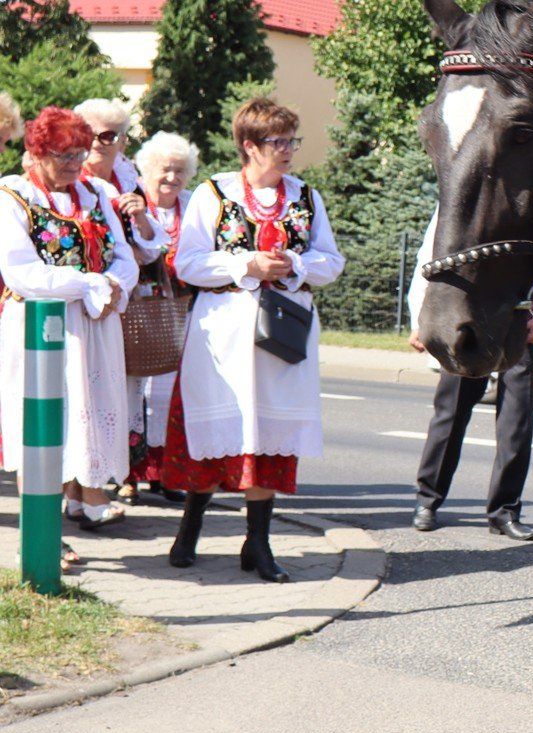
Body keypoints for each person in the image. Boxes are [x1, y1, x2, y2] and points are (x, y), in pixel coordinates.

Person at [163, 99, 343, 580]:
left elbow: (331, 260)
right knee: (218, 432)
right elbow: (188, 263)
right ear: (249, 146)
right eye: (277, 142)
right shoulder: (214, 193)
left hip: (283, 332)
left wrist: (296, 265)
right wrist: (246, 264)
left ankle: (257, 544)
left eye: (291, 140)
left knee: (268, 438)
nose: (287, 151)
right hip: (224, 332)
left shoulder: (306, 196)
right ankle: (190, 526)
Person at [0, 108, 137, 541]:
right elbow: (22, 272)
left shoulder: (96, 192)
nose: (75, 163)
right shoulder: (13, 196)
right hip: (41, 327)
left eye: (80, 153)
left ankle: (84, 502)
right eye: (63, 155)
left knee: (87, 419)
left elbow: (124, 256)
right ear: (36, 152)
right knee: (41, 428)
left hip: (95, 328)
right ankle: (41, 539)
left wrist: (115, 285)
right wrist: (91, 285)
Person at [407, 208, 533, 542]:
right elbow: (430, 256)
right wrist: (419, 317)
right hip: (469, 321)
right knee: (450, 414)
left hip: (520, 322)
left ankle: (505, 512)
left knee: (516, 423)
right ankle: (428, 501)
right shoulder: (467, 189)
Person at [124, 132, 200, 501]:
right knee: (136, 387)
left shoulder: (192, 203)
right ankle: (129, 475)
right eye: (165, 170)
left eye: (179, 171)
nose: (171, 178)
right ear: (149, 169)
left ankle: (166, 473)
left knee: (172, 391)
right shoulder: (134, 201)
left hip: (181, 308)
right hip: (139, 307)